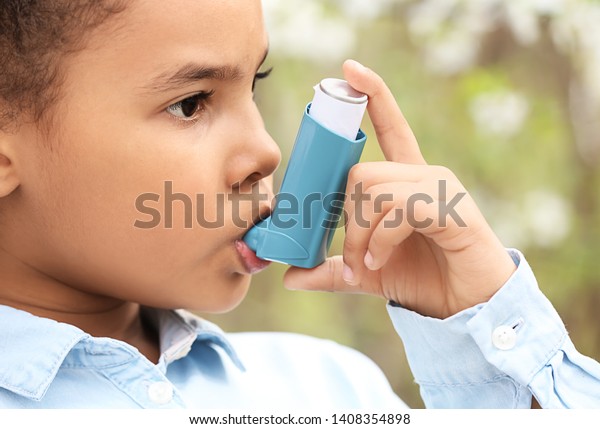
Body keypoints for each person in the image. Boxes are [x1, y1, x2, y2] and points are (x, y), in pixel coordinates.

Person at [0, 0, 598, 409]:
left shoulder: (333, 391)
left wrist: (483, 328)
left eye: (252, 85)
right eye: (191, 103)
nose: (264, 149)